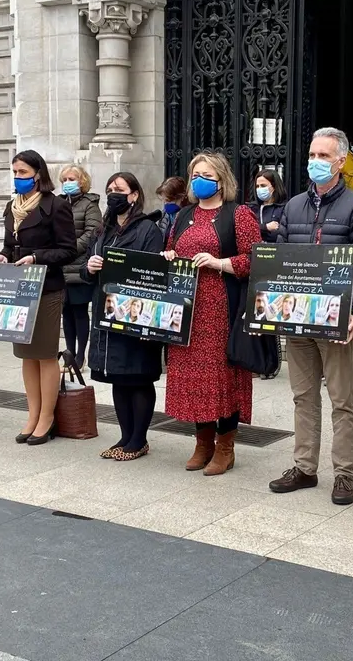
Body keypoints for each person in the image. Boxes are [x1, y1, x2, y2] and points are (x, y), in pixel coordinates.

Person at [268, 127, 353, 505]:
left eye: (323, 156)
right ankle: (304, 467)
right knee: (303, 397)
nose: (315, 162)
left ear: (340, 161)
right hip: (298, 318)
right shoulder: (294, 206)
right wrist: (272, 310)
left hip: (337, 323)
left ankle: (344, 474)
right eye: (312, 155)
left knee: (342, 401)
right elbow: (280, 264)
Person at [165, 152, 260, 476]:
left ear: (221, 181)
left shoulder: (239, 214)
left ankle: (225, 446)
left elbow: (257, 258)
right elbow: (171, 248)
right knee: (195, 380)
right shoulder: (184, 215)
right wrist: (168, 255)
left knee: (222, 377)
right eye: (195, 175)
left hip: (220, 307)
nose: (199, 180)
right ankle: (202, 442)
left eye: (206, 175)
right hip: (187, 310)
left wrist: (220, 263)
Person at [0, 150, 77, 446]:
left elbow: (69, 249)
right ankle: (32, 414)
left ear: (38, 174)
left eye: (22, 173)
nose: (17, 178)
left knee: (44, 353)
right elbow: (8, 244)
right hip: (19, 288)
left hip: (46, 287)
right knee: (26, 355)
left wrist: (35, 257)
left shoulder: (55, 206)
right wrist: (3, 255)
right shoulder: (11, 206)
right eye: (15, 172)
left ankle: (47, 416)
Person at [83, 172, 165, 461]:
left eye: (119, 189)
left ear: (133, 195)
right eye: (109, 189)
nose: (113, 193)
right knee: (118, 377)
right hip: (106, 314)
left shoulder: (147, 229)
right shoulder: (103, 230)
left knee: (138, 376)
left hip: (135, 314)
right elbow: (85, 271)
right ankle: (125, 435)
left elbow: (152, 273)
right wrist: (90, 267)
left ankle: (139, 439)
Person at [60, 164, 102, 369]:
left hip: (78, 266)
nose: (67, 183)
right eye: (64, 180)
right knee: (65, 313)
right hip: (60, 267)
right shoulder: (59, 203)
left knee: (79, 312)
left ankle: (80, 356)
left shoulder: (89, 204)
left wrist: (69, 249)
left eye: (71, 179)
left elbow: (92, 232)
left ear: (82, 181)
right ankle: (69, 353)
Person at [249, 169, 287, 243]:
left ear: (274, 186)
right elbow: (246, 230)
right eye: (257, 186)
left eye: (263, 185)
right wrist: (266, 227)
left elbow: (281, 233)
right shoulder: (251, 208)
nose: (259, 189)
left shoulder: (284, 208)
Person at [156, 176, 187, 241]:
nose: (165, 203)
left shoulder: (189, 216)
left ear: (181, 197)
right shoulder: (164, 214)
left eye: (168, 200)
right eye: (164, 200)